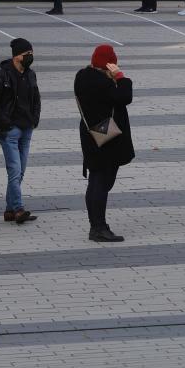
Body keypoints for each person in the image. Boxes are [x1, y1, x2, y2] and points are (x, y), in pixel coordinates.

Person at [75, 45, 134, 242]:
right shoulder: (104, 83)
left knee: (95, 181)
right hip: (107, 138)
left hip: (90, 134)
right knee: (102, 182)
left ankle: (96, 225)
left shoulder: (82, 77)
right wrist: (120, 77)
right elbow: (125, 97)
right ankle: (98, 227)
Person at [0, 38, 41, 224]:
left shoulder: (31, 75)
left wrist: (35, 119)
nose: (31, 57)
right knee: (15, 171)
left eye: (32, 54)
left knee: (20, 172)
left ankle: (9, 210)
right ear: (17, 56)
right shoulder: (1, 75)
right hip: (9, 130)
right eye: (27, 54)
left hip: (27, 129)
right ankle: (18, 209)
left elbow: (37, 99)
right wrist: (7, 124)